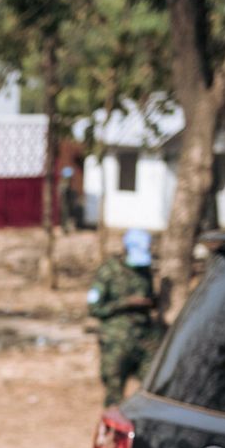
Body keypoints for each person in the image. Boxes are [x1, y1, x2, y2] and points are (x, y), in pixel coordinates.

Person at [87, 228, 160, 407]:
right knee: (114, 390)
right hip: (116, 340)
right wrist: (125, 303)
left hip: (144, 337)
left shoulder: (145, 270)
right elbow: (94, 308)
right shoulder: (108, 271)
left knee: (152, 383)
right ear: (126, 249)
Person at [57, 165, 80, 233]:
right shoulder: (64, 183)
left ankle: (66, 229)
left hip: (68, 203)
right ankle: (64, 229)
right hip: (65, 203)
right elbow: (62, 193)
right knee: (65, 216)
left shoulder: (67, 183)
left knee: (68, 216)